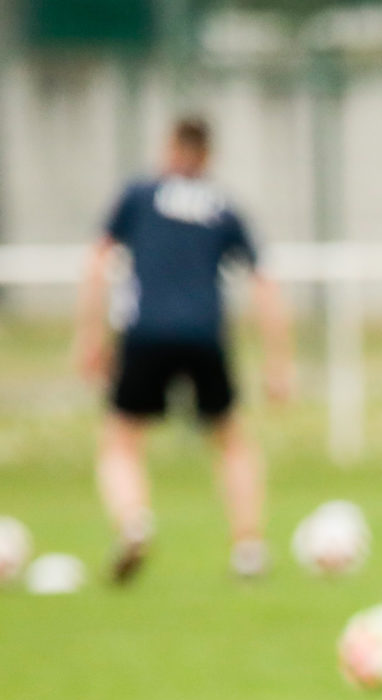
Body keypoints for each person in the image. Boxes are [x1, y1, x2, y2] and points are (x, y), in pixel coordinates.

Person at [72, 116, 292, 584]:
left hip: (144, 332)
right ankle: (248, 546)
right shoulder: (224, 208)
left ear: (169, 147)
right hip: (204, 335)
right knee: (231, 440)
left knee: (122, 439)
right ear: (208, 156)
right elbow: (265, 284)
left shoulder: (139, 196)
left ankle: (134, 521)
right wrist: (278, 364)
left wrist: (90, 338)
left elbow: (97, 264)